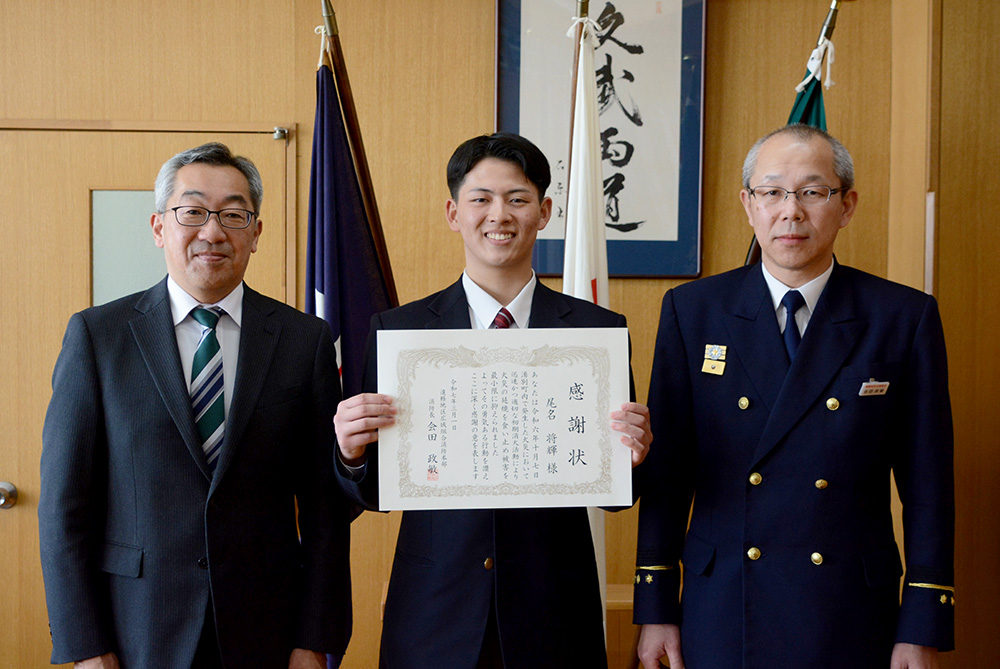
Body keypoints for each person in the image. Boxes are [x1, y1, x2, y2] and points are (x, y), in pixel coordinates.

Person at [633, 124, 955, 669]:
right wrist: (655, 607)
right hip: (724, 602)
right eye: (773, 191)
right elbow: (668, 476)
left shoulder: (902, 317)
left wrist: (921, 623)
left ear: (847, 205)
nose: (791, 211)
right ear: (748, 204)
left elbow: (929, 484)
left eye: (813, 191)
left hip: (849, 607)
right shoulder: (693, 311)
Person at [333, 132, 652, 668]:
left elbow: (618, 495)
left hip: (555, 612)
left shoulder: (597, 332)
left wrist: (636, 453)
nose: (498, 215)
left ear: (545, 212)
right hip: (436, 613)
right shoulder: (400, 331)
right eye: (480, 199)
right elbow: (374, 495)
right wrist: (351, 455)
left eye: (518, 199)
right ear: (454, 212)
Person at [38, 143, 352, 668]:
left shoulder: (304, 341)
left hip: (267, 629)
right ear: (160, 227)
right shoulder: (98, 336)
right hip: (136, 625)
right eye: (193, 212)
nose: (213, 231)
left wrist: (313, 638)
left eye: (233, 214)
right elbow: (65, 508)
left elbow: (325, 510)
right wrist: (86, 647)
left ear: (255, 233)